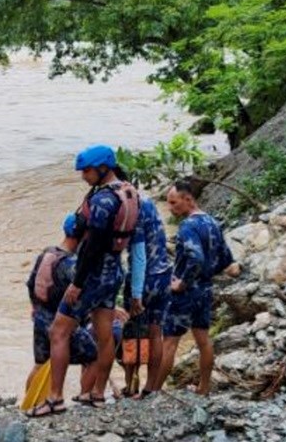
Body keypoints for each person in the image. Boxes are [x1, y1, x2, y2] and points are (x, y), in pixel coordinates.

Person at [32, 145, 146, 417]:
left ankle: (55, 398)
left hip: (94, 271)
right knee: (105, 334)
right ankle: (96, 394)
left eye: (87, 170)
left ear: (103, 167)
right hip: (114, 269)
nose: (84, 175)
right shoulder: (129, 192)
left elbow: (93, 244)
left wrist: (78, 282)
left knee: (58, 331)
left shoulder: (104, 200)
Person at [151, 180, 241, 396]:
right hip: (206, 291)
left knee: (170, 341)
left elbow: (196, 258)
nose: (171, 208)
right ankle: (204, 387)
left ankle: (154, 391)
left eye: (174, 203)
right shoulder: (212, 222)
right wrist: (207, 275)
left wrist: (182, 283)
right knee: (203, 340)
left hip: (185, 294)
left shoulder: (188, 226)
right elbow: (226, 260)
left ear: (188, 199)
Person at [25, 213, 107, 401]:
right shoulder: (71, 264)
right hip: (59, 322)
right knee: (94, 356)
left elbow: (30, 284)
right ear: (83, 235)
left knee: (40, 363)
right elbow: (85, 293)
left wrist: (35, 308)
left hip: (40, 317)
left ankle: (29, 402)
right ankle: (84, 398)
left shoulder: (47, 253)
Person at [114, 167, 173, 400]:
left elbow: (138, 255)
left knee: (133, 333)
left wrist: (136, 294)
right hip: (163, 274)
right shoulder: (147, 202)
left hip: (145, 278)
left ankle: (131, 385)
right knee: (155, 332)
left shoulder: (132, 207)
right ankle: (151, 387)